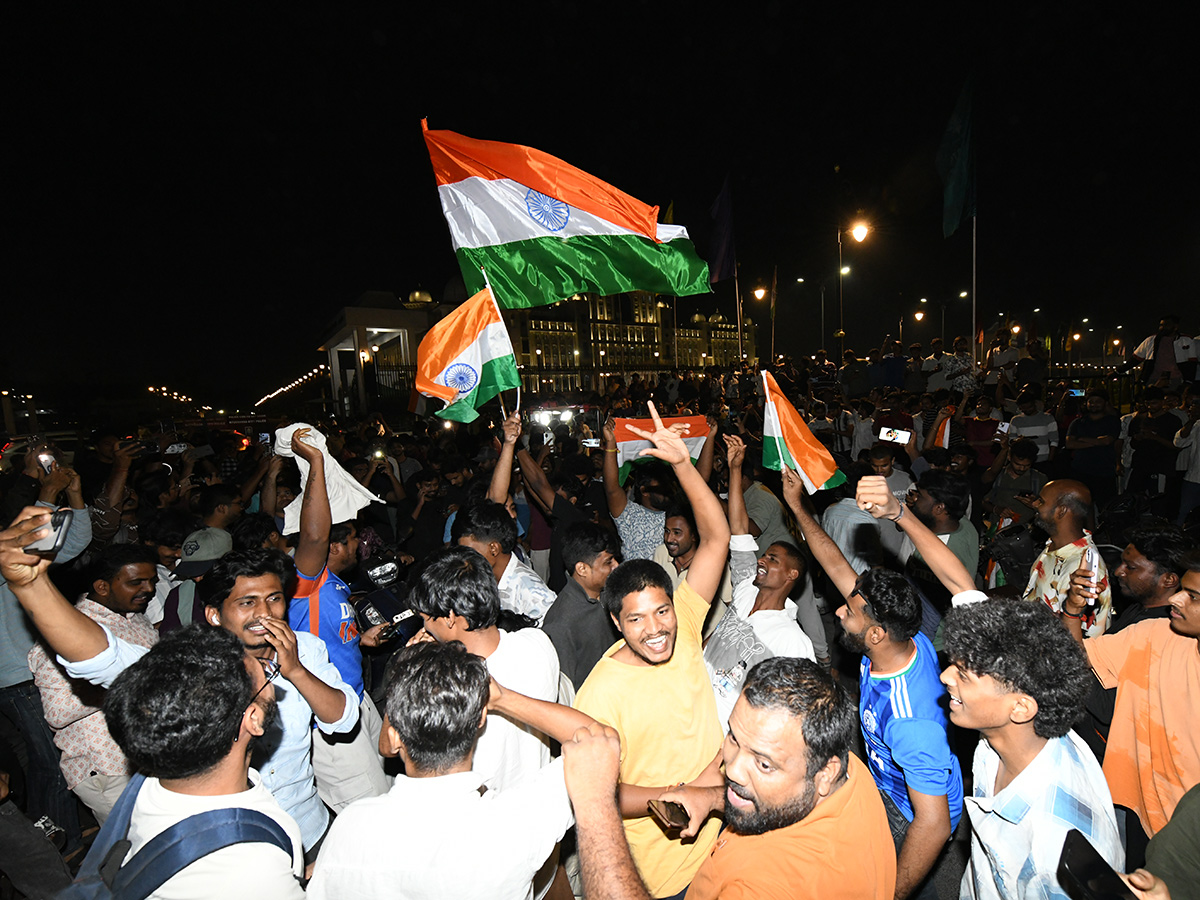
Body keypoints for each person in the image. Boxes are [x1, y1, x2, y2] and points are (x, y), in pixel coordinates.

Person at [3, 510, 359, 860]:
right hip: (228, 842)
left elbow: (342, 719)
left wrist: (296, 670)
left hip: (305, 826)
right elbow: (105, 657)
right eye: (246, 603)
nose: (264, 613)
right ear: (215, 614)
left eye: (274, 599)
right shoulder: (191, 666)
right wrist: (32, 585)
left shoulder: (306, 648)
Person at [789, 474, 976, 900]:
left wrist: (893, 891)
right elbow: (836, 563)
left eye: (850, 612)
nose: (839, 611)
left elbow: (933, 824)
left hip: (910, 815)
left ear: (874, 635)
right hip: (888, 786)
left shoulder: (912, 723)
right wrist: (799, 506)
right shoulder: (903, 639)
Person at [573, 402, 731, 899]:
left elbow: (718, 536)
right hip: (663, 875)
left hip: (724, 843)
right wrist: (683, 797)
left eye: (660, 611)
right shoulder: (599, 695)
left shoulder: (685, 619)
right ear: (617, 622)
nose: (656, 629)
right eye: (636, 619)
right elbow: (599, 796)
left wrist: (683, 464)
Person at [306, 641, 592, 900]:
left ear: (394, 737)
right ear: (481, 718)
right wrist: (501, 697)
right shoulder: (512, 824)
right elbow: (598, 740)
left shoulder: (352, 825)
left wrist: (405, 678)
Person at [940, 599, 1124, 899]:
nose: (945, 677)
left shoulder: (1052, 852)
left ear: (1021, 707)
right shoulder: (1011, 734)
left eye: (963, 675)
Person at [670, 658, 897, 900]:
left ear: (825, 774)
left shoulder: (764, 886)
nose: (733, 770)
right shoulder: (848, 769)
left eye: (764, 764)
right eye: (734, 737)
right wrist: (713, 798)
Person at [1063, 547, 1200, 868]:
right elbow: (1074, 658)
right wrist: (1073, 608)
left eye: (1193, 597)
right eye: (1182, 590)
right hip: (1144, 808)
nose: (1176, 600)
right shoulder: (1156, 633)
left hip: (1190, 834)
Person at [285, 428, 389, 814]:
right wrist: (315, 462)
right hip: (328, 723)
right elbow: (312, 536)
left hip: (357, 699)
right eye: (349, 541)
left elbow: (320, 635)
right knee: (371, 816)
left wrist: (360, 640)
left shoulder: (335, 584)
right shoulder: (303, 584)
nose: (356, 547)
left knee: (388, 785)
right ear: (332, 545)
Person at [406, 546, 561, 793]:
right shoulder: (538, 643)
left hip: (485, 817)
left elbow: (392, 746)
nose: (425, 627)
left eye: (426, 618)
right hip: (535, 803)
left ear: (449, 618)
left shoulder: (450, 690)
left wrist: (412, 667)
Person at [27, 544, 160, 824]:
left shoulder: (136, 619)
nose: (148, 589)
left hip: (146, 757)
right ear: (102, 586)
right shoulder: (67, 633)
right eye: (136, 582)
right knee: (128, 854)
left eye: (152, 581)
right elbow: (58, 713)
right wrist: (130, 684)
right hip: (107, 768)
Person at [0, 467, 91, 853]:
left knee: (43, 760)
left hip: (28, 673)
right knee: (54, 762)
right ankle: (62, 846)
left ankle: (50, 832)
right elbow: (30, 540)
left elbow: (74, 543)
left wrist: (74, 494)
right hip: (17, 676)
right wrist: (48, 491)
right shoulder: (8, 549)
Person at [704, 435, 816, 726]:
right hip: (692, 711)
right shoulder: (743, 588)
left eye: (772, 560)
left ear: (792, 575)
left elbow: (794, 708)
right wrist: (735, 469)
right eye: (764, 555)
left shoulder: (792, 640)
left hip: (728, 735)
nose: (762, 560)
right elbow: (739, 528)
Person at [1021, 479, 1113, 636]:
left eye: (1041, 501)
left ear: (1061, 511)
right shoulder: (1055, 546)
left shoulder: (1082, 569)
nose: (1035, 504)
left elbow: (1080, 643)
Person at [542, 522, 621, 692]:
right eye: (608, 562)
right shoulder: (561, 623)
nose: (616, 566)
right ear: (582, 569)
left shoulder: (610, 593)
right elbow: (565, 691)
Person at [453, 499, 558, 623]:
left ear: (493, 548)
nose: (464, 558)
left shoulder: (534, 596)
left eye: (468, 551)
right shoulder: (481, 578)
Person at [899, 470, 979, 613]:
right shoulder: (963, 524)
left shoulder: (931, 556)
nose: (915, 500)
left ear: (939, 508)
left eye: (921, 497)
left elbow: (927, 610)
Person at [1066, 389, 1122, 510]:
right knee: (1082, 507)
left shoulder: (1112, 421)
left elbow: (1107, 441)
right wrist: (1097, 442)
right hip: (1081, 470)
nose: (1094, 404)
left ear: (1105, 403)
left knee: (1107, 507)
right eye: (1091, 401)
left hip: (1104, 471)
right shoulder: (1078, 422)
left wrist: (1081, 439)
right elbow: (1070, 444)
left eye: (1098, 401)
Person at [981, 437, 1046, 526]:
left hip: (1025, 532)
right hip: (996, 528)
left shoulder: (1039, 479)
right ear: (1009, 457)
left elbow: (1049, 509)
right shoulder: (999, 476)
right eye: (1017, 464)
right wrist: (996, 509)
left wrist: (1035, 505)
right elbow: (981, 501)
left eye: (1027, 465)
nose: (1022, 468)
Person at [1008, 391, 1059, 466]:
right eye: (1024, 408)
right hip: (1023, 461)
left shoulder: (1048, 418)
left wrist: (1050, 460)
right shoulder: (1016, 420)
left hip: (1043, 460)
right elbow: (1011, 440)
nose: (1027, 410)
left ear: (1034, 404)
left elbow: (1054, 441)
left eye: (1029, 407)